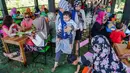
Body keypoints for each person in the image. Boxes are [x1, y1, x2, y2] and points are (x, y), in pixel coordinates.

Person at [52, 0, 74, 72]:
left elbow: (75, 26)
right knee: (58, 49)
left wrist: (70, 28)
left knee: (69, 49)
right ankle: (55, 64)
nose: (60, 9)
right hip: (59, 36)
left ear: (65, 6)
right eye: (59, 8)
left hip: (68, 37)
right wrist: (58, 34)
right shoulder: (59, 15)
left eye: (61, 8)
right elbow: (57, 27)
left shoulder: (71, 14)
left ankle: (69, 59)